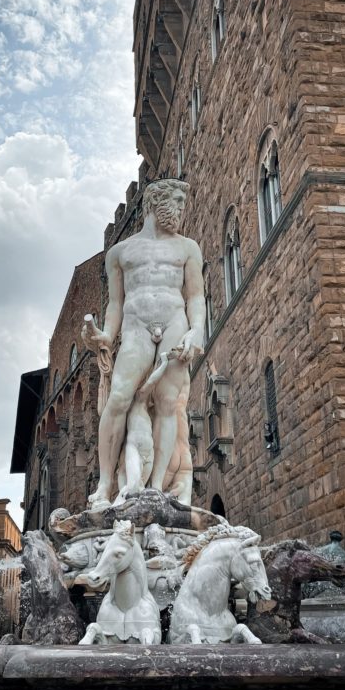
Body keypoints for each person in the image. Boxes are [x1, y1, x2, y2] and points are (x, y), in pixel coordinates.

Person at [83, 177, 205, 509]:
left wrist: (197, 331)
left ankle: (155, 486)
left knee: (167, 404)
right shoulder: (120, 252)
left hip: (175, 323)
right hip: (136, 327)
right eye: (176, 203)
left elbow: (195, 296)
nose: (181, 211)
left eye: (183, 204)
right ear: (155, 202)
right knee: (119, 399)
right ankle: (105, 484)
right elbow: (116, 304)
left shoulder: (187, 247)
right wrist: (107, 335)